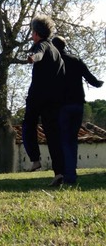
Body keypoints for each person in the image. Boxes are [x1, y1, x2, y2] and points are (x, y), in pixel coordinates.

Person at [52, 36, 103, 184]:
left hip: (61, 106)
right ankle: (70, 173)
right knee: (72, 140)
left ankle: (67, 175)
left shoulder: (53, 62)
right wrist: (100, 83)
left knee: (63, 140)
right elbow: (91, 79)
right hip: (78, 104)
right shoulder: (76, 60)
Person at [22, 15, 66, 186]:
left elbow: (38, 54)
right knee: (53, 135)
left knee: (28, 125)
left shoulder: (40, 45)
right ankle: (59, 172)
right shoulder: (56, 51)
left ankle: (35, 159)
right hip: (53, 99)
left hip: (38, 96)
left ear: (35, 33)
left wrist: (32, 58)